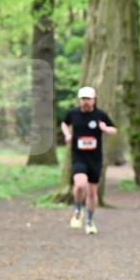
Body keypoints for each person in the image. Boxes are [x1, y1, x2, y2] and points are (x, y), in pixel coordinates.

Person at [61, 86, 117, 235]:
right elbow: (64, 123)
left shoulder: (100, 115)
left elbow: (114, 130)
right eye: (83, 99)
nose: (85, 102)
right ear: (79, 100)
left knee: (92, 193)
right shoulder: (73, 114)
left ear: (94, 100)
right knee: (80, 185)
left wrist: (105, 129)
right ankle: (78, 210)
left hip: (95, 159)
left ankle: (90, 221)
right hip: (78, 157)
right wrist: (67, 134)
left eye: (88, 99)